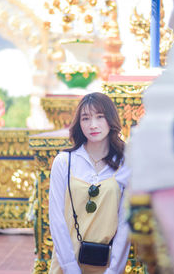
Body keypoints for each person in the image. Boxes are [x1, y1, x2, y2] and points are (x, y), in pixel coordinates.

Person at [49, 92, 131, 274]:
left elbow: (125, 222)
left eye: (100, 117)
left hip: (107, 265)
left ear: (110, 120)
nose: (93, 125)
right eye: (86, 118)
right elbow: (56, 220)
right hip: (65, 264)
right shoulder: (64, 162)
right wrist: (70, 268)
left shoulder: (125, 163)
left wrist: (114, 270)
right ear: (79, 124)